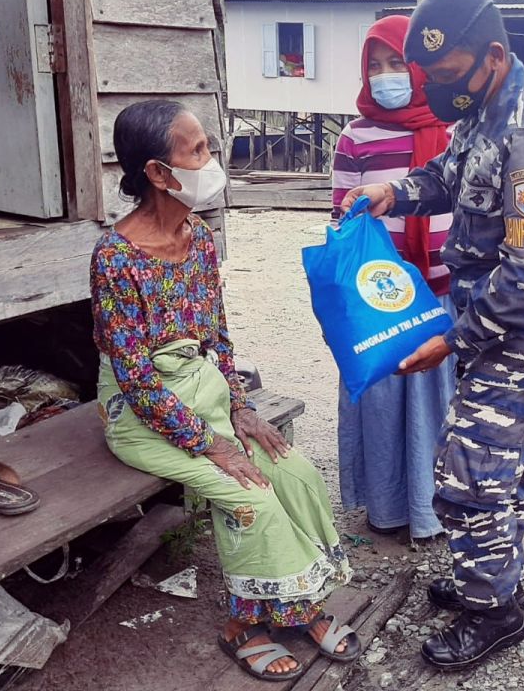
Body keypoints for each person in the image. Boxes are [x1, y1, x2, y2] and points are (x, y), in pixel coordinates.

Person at [342, 0, 524, 671]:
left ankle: (495, 613)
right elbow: (446, 173)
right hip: (499, 323)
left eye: (448, 75)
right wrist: (392, 189)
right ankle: (489, 575)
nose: (436, 89)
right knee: (497, 467)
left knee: (467, 475)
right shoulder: (486, 110)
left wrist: (450, 342)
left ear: (491, 55)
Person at [90, 100, 358, 683]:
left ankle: (297, 605)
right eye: (199, 150)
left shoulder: (200, 238)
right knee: (249, 496)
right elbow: (136, 379)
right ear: (160, 174)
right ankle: (243, 623)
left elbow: (218, 335)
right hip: (142, 412)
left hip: (204, 393)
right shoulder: (116, 257)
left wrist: (240, 408)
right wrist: (211, 442)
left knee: (296, 472)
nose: (212, 160)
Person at [331, 15, 454, 540]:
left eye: (397, 63)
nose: (386, 75)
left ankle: (434, 511)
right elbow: (341, 219)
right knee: (383, 401)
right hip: (380, 298)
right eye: (374, 66)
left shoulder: (453, 131)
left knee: (437, 407)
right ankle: (387, 510)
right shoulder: (355, 137)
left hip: (443, 293)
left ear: (419, 67)